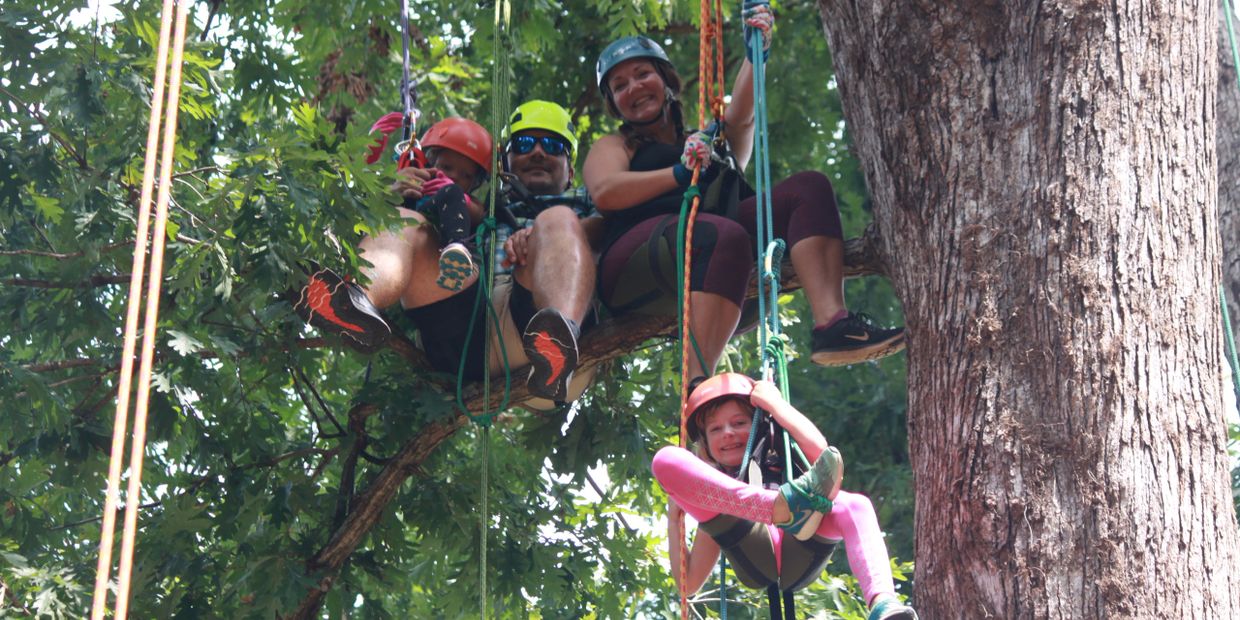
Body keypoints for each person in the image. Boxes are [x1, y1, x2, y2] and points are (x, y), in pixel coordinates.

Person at [583, 15, 904, 381]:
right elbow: (606, 192)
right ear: (614, 103)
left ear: (666, 80)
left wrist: (757, 51)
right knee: (721, 234)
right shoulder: (616, 145)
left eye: (642, 74)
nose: (634, 87)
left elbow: (741, 118)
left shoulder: (709, 143)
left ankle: (834, 325)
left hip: (717, 259)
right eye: (620, 85)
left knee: (807, 189)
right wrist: (679, 174)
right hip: (635, 266)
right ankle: (697, 385)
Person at [296, 102, 598, 405]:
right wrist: (393, 192)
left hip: (535, 320)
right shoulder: (486, 208)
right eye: (523, 143)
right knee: (408, 221)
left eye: (551, 144)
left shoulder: (586, 201)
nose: (537, 152)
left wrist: (542, 237)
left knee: (556, 219)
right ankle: (356, 301)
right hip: (464, 337)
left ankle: (560, 342)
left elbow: (611, 225)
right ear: (504, 166)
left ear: (571, 171)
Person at [652, 373, 918, 620]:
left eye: (739, 422)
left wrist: (777, 407)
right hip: (754, 551)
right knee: (665, 459)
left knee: (856, 505)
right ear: (706, 445)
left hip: (802, 545)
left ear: (759, 426)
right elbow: (689, 584)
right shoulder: (718, 494)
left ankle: (883, 602)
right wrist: (674, 520)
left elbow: (825, 457)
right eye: (715, 429)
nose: (728, 433)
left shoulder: (787, 463)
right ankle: (776, 508)